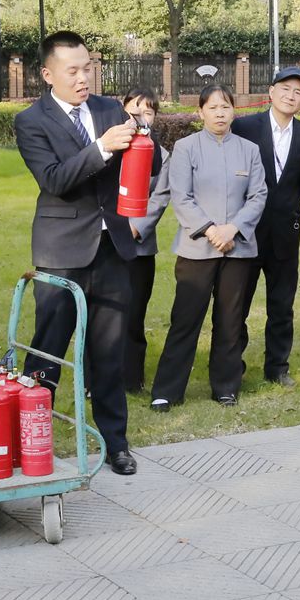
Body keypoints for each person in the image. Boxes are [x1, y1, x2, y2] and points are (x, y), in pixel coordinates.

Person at [13, 30, 141, 476]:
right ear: (48, 74)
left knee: (108, 351)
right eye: (73, 71)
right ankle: (29, 440)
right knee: (48, 350)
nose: (83, 78)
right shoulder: (31, 121)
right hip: (62, 250)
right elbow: (54, 179)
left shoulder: (109, 109)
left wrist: (142, 139)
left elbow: (139, 165)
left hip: (112, 247)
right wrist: (103, 147)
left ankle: (116, 443)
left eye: (87, 68)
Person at [150, 85, 269, 409]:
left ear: (234, 111)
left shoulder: (249, 150)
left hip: (237, 248)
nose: (219, 113)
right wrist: (211, 230)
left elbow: (258, 195)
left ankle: (226, 386)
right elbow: (181, 196)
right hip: (197, 249)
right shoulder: (186, 148)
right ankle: (167, 390)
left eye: (225, 107)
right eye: (213, 107)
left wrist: (233, 228)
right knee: (185, 319)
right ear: (201, 111)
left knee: (230, 320)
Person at [231, 65, 300, 386]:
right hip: (246, 230)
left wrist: (286, 207)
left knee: (282, 305)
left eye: (298, 92)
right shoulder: (244, 127)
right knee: (237, 303)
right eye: (285, 89)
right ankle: (232, 365)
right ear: (271, 92)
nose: (290, 96)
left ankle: (277, 367)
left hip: (285, 232)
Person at [121, 88, 168, 394]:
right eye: (134, 111)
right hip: (103, 242)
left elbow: (160, 197)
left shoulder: (162, 155)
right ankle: (94, 377)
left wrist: (134, 230)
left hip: (139, 247)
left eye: (148, 112)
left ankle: (131, 378)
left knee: (134, 313)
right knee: (101, 314)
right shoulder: (110, 144)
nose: (140, 117)